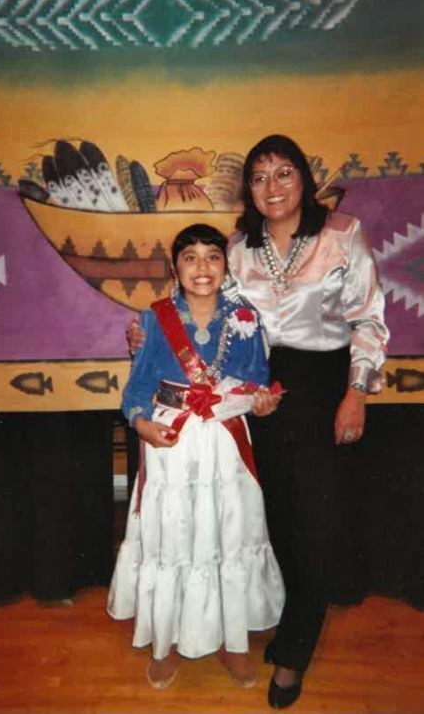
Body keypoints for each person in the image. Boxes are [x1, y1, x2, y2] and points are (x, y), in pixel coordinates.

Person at [127, 135, 389, 708]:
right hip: (252, 392)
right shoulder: (239, 245)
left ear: (305, 179)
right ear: (249, 188)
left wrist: (357, 392)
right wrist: (150, 334)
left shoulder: (343, 234)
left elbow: (369, 318)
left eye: (284, 173)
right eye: (260, 176)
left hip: (323, 385)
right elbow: (204, 300)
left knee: (315, 523)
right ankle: (266, 618)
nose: (272, 187)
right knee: (266, 519)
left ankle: (294, 652)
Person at [108, 224, 285, 691]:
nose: (202, 267)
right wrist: (142, 423)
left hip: (225, 442)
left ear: (226, 267)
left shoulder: (245, 317)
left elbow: (257, 380)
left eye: (212, 257)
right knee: (174, 537)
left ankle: (235, 643)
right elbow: (138, 389)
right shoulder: (153, 320)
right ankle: (165, 644)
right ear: (175, 267)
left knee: (227, 533)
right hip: (172, 442)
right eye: (191, 258)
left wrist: (262, 402)